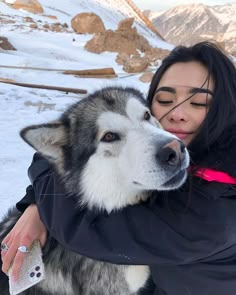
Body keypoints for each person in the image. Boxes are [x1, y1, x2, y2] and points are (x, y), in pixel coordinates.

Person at [1, 41, 236, 295]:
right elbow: (59, 152)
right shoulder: (191, 151)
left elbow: (81, 229)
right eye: (165, 99)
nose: (176, 112)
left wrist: (41, 206)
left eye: (199, 102)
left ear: (227, 105)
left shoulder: (214, 211)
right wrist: (35, 203)